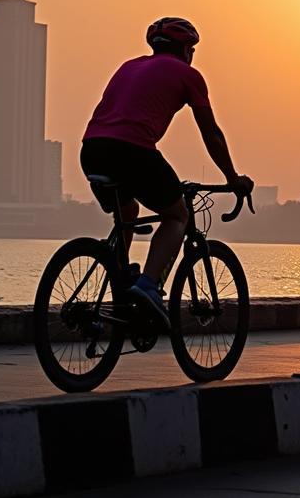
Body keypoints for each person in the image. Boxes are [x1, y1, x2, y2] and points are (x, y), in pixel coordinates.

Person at [80, 17, 253, 329]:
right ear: (186, 49)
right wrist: (232, 177)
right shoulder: (189, 75)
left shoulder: (129, 66)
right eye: (193, 49)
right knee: (177, 215)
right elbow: (211, 132)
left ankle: (120, 292)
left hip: (92, 149)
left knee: (128, 210)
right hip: (132, 151)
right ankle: (148, 286)